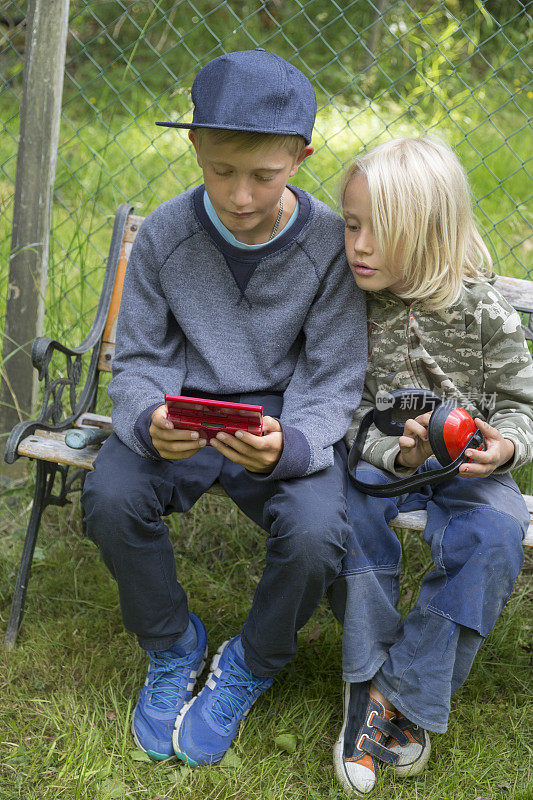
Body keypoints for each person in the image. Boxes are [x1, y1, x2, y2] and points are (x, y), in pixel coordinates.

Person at [81, 49, 367, 767]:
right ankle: (173, 642)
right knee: (110, 497)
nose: (241, 196)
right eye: (221, 171)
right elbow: (139, 357)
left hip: (281, 419)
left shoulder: (330, 246)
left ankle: (251, 663)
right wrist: (147, 420)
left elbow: (333, 374)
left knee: (312, 536)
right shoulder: (168, 237)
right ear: (194, 149)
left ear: (299, 158)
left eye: (263, 177)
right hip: (181, 413)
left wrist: (294, 445)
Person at [330, 136, 533, 794]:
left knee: (496, 530)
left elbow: (518, 404)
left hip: (465, 465)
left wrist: (502, 446)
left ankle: (403, 694)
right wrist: (395, 453)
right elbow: (346, 407)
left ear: (431, 232)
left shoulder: (482, 314)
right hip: (379, 459)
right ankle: (366, 680)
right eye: (350, 225)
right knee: (348, 516)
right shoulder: (352, 308)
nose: (357, 246)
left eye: (377, 231)